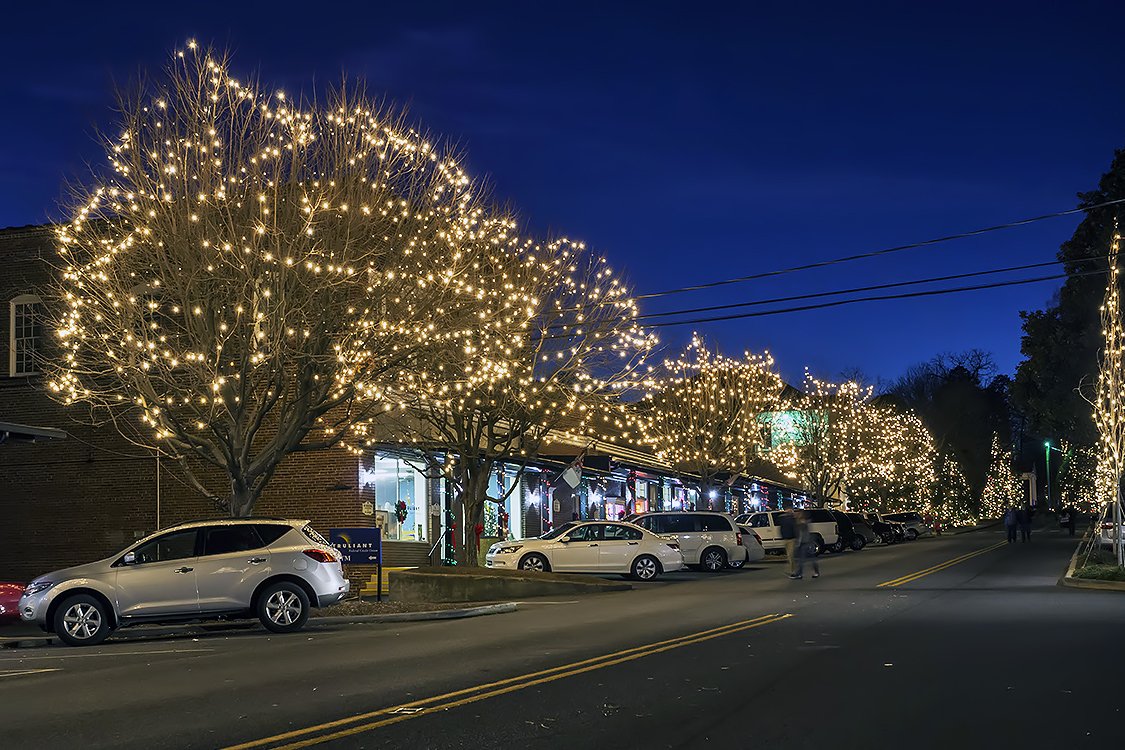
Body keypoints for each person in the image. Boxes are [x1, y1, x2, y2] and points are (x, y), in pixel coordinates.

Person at [791, 510, 820, 579]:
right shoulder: (800, 522)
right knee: (809, 558)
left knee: (803, 559)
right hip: (806, 542)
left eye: (796, 513)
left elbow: (802, 534)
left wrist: (798, 543)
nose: (794, 515)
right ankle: (815, 572)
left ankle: (800, 574)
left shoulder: (802, 522)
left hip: (805, 542)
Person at [778, 509, 798, 576]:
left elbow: (782, 529)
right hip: (789, 539)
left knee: (790, 555)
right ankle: (792, 570)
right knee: (790, 555)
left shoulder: (786, 520)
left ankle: (793, 571)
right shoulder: (791, 520)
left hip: (790, 539)